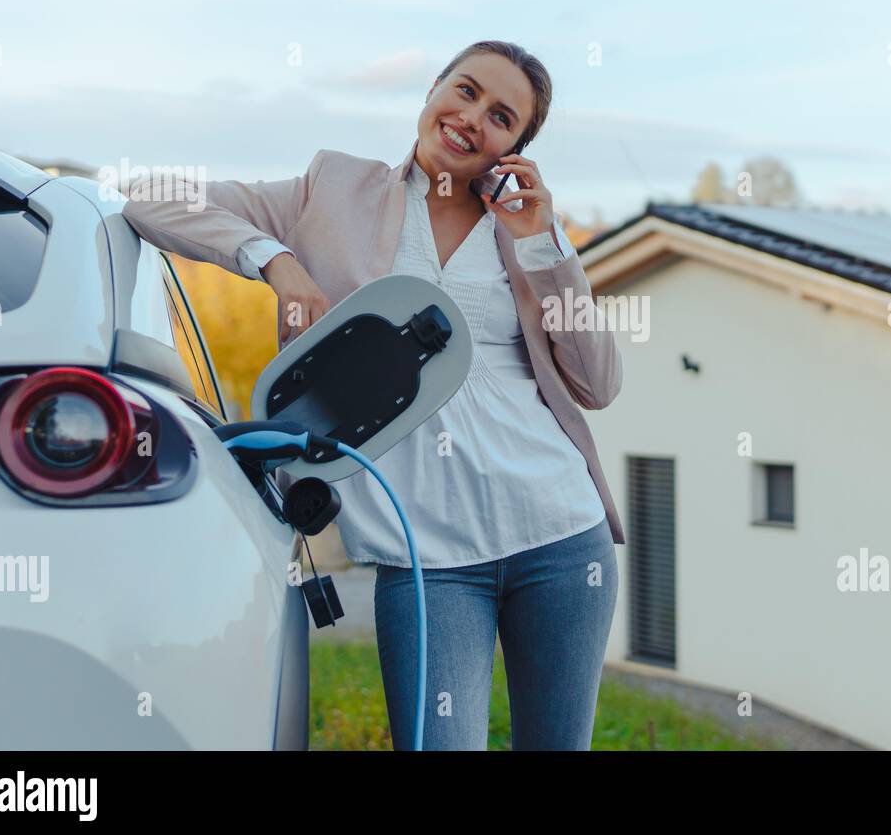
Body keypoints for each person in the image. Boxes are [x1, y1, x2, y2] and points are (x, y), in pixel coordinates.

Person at [121, 40, 625, 750]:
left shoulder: (527, 237)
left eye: (502, 116)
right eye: (466, 90)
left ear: (515, 149)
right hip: (428, 565)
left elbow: (599, 383)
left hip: (562, 542)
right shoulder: (331, 189)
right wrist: (279, 262)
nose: (472, 117)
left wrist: (545, 244)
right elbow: (149, 199)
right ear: (432, 89)